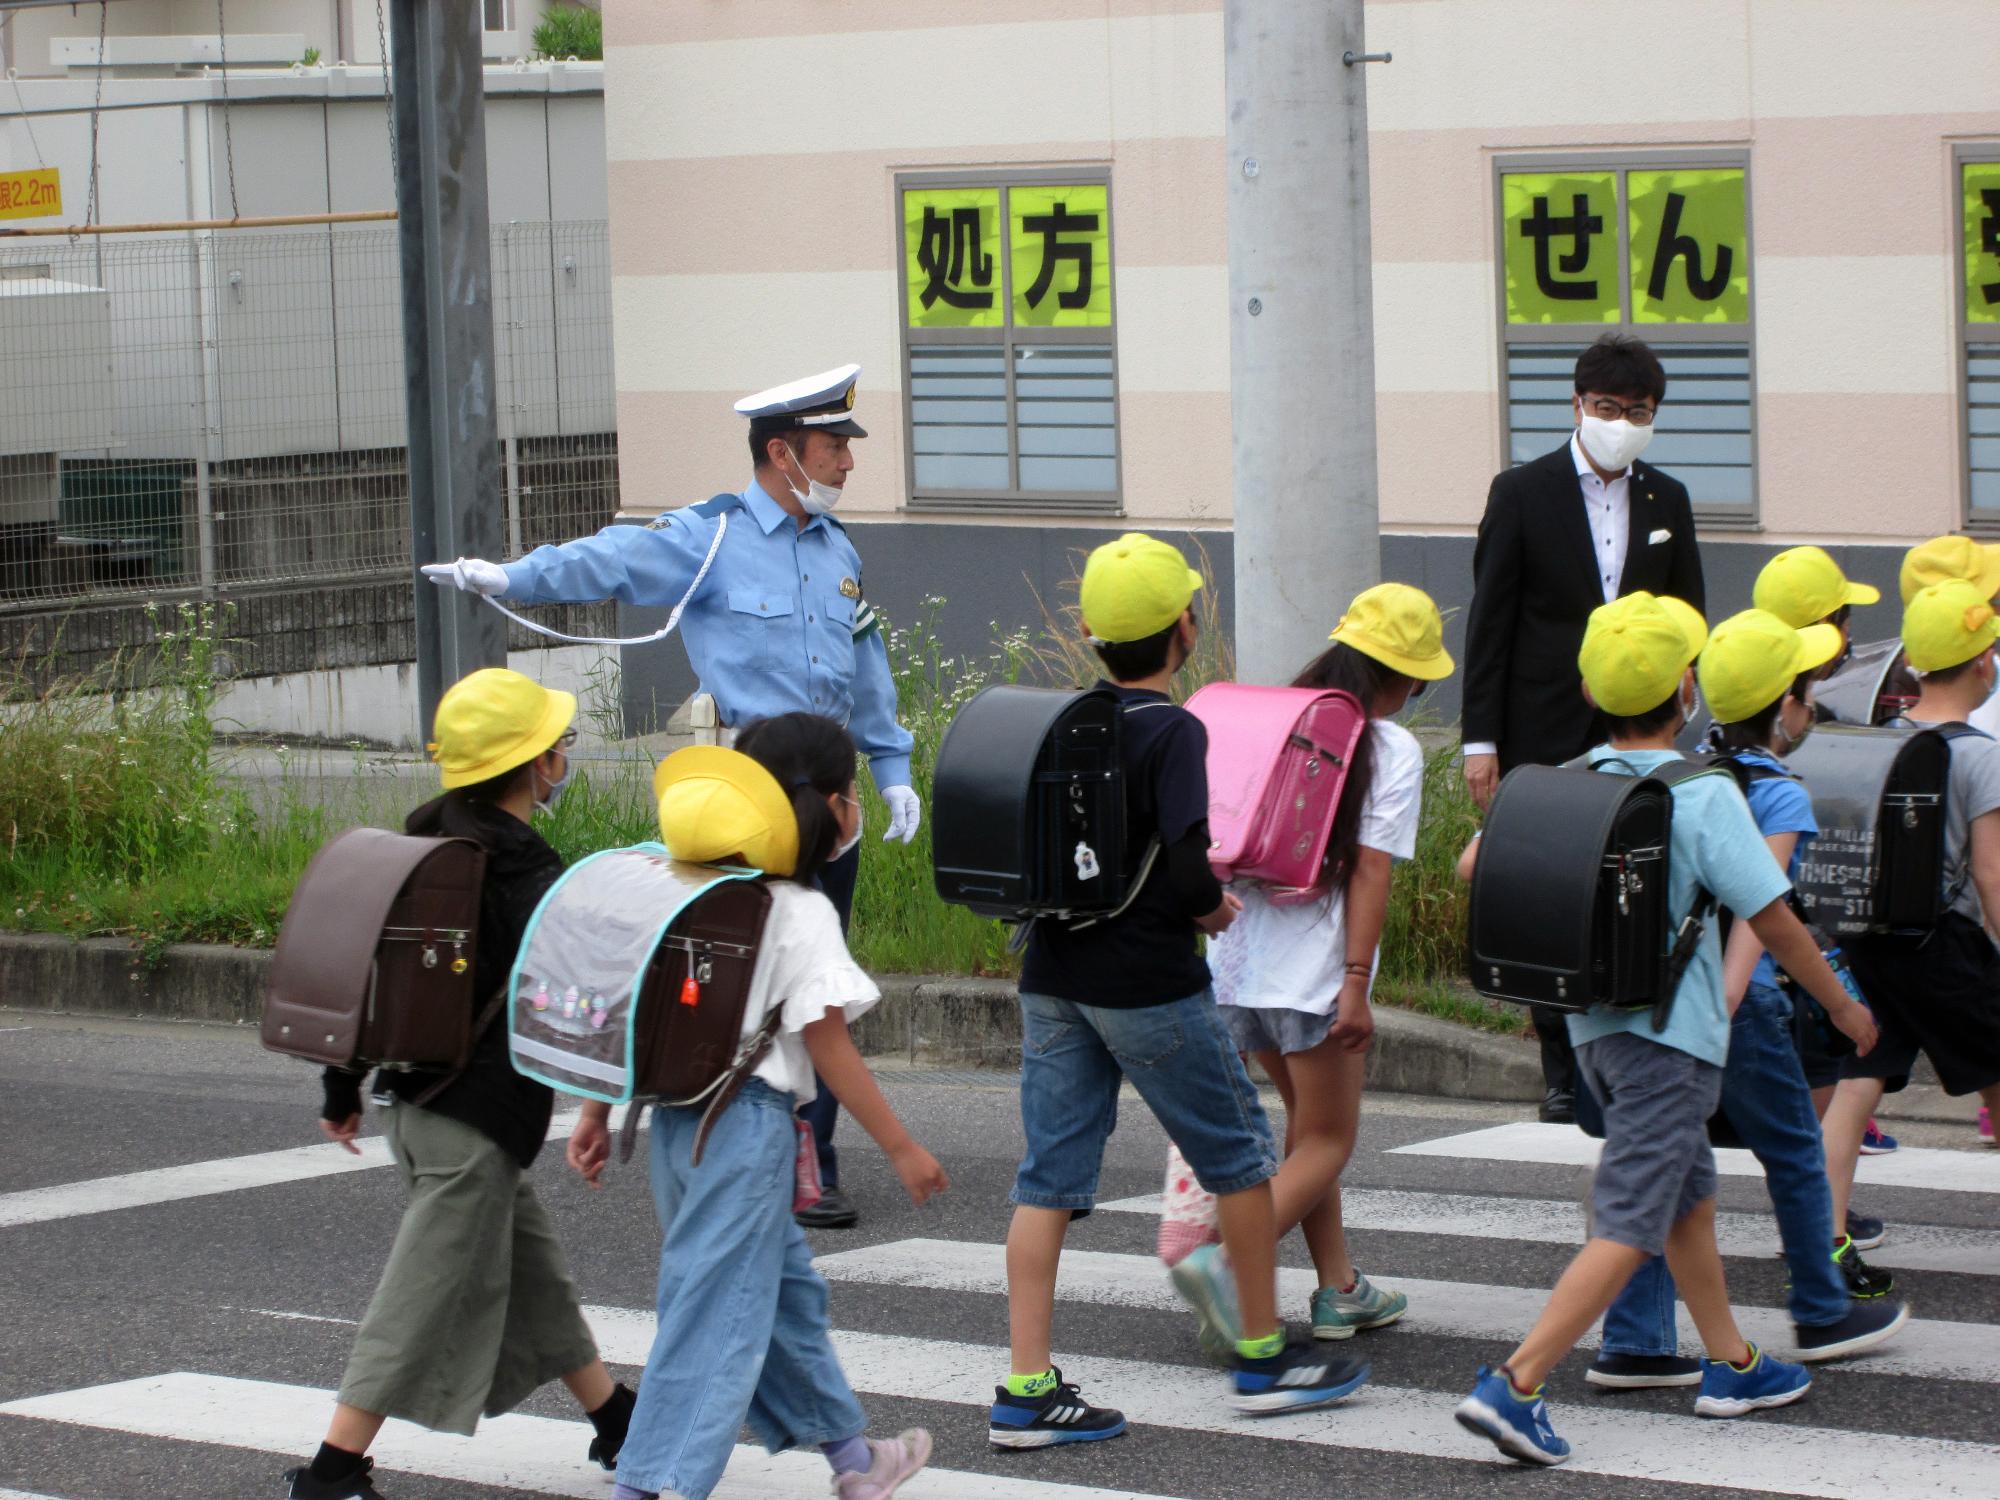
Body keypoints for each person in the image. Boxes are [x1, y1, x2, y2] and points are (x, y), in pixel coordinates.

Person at [425, 364, 917, 1231]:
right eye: (833, 445)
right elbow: (609, 561)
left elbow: (866, 668)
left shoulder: (839, 551)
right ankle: (706, 1125)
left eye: (845, 445)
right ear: (781, 450)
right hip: (743, 793)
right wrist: (510, 578)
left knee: (817, 981)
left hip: (827, 805)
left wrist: (891, 768)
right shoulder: (711, 536)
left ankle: (812, 1158)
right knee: (721, 974)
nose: (847, 461)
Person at [1453, 593, 1872, 1465]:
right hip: (1669, 1046)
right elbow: (1776, 917)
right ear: (1688, 688)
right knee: (1633, 1219)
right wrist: (1839, 1004)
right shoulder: (1702, 792)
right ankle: (1516, 1383)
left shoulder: (1571, 779)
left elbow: (1471, 862)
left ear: (1589, 687)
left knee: (1686, 1199)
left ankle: (1735, 1363)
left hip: (1595, 1035)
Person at [993, 533, 1369, 1448]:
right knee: (1240, 1158)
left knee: (1047, 1180)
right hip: (1149, 986)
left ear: (1086, 631)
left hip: (1052, 976)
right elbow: (1189, 863)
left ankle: (1026, 1388)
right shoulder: (1175, 730)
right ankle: (1261, 1355)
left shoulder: (1060, 720)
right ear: (1185, 630)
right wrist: (1214, 914)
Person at [567, 716, 948, 1500]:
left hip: (674, 1126)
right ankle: (648, 1485)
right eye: (853, 797)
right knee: (712, 1315)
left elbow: (631, 1008)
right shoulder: (798, 912)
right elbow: (831, 1048)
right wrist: (903, 1147)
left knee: (779, 1295)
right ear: (837, 806)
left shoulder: (683, 890)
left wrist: (597, 1111)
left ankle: (854, 1460)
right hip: (744, 1131)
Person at [285, 668, 634, 1500]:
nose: (562, 759)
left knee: (538, 1282)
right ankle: (330, 1473)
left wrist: (343, 1087)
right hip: (476, 1121)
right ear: (534, 766)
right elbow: (579, 990)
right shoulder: (521, 867)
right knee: (418, 1298)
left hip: (420, 1105)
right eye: (557, 748)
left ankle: (619, 1421)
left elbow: (367, 973)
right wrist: (603, 1095)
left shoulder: (423, 844)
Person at [1585, 609, 1903, 1397]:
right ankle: (1822, 1309)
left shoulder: (1635, 774)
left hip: (1615, 1017)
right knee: (1790, 1149)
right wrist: (1835, 1005)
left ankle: (1646, 1340)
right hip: (1731, 1006)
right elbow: (1770, 913)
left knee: (1664, 1171)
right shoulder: (1763, 793)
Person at [1461, 334, 1705, 1124]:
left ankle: (1623, 1040)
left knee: (1631, 883)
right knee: (1549, 891)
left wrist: (1685, 687)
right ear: (1576, 405)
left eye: (1637, 412)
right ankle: (1560, 1066)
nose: (1621, 423)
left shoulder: (1668, 499)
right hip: (1544, 721)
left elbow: (1688, 612)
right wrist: (1480, 742)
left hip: (1639, 728)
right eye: (1607, 409)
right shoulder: (1522, 492)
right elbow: (1490, 626)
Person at [1204, 583, 1453, 1344]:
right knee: (1330, 1140)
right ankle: (1221, 1266)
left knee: (1307, 1134)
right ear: (1403, 675)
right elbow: (1371, 871)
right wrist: (1355, 983)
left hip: (1236, 962)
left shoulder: (1283, 718)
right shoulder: (1389, 746)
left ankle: (1338, 1286)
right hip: (1314, 976)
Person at [1821, 580, 2000, 1257]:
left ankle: (1826, 1233)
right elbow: (1991, 874)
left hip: (1874, 940)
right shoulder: (1983, 755)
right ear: (1983, 662)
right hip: (1945, 945)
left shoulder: (1884, 740)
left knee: (1859, 1080)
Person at [1747, 545, 1898, 1245]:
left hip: (1767, 930)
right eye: (1842, 617)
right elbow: (1769, 889)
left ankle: (1812, 1207)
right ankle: (1811, 1223)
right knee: (1815, 1070)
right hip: (1796, 924)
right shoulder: (1812, 710)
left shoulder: (1740, 675)